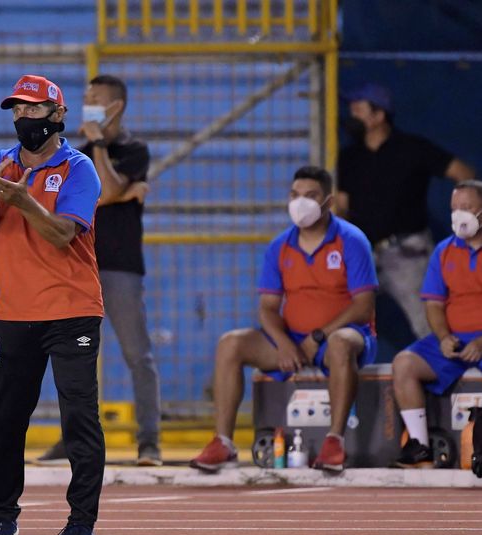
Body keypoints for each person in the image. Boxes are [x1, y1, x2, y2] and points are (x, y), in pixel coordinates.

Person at [0, 74, 105, 535]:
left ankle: (81, 523)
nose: (24, 118)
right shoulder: (1, 166)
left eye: (33, 109)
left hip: (72, 310)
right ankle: (2, 516)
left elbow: (63, 234)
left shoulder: (79, 168)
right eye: (17, 110)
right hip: (15, 314)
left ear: (58, 115)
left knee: (78, 416)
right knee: (5, 419)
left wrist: (21, 200)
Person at [189, 166, 378, 473]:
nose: (300, 202)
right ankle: (223, 441)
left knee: (342, 343)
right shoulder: (280, 246)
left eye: (310, 196)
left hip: (342, 335)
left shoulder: (352, 240)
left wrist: (317, 337)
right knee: (230, 344)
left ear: (328, 201)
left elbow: (363, 306)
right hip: (292, 339)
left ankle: (334, 441)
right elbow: (267, 308)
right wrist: (285, 344)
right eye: (295, 195)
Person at [37, 74, 162, 467]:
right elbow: (106, 195)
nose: (87, 102)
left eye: (95, 98)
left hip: (120, 265)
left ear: (116, 107)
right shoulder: (72, 155)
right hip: (76, 266)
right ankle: (71, 440)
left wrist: (103, 148)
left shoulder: (133, 149)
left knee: (136, 354)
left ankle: (149, 442)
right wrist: (124, 193)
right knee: (72, 356)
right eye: (86, 96)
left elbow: (104, 191)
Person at [336, 82, 474, 339]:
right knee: (337, 317)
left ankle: (449, 374)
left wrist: (467, 216)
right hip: (364, 255)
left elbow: (463, 172)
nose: (351, 116)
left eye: (358, 109)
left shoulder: (412, 148)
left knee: (430, 327)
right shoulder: (350, 157)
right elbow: (342, 206)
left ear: (378, 116)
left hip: (407, 253)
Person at [391, 180, 482, 468]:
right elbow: (433, 303)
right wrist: (443, 337)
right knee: (404, 363)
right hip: (455, 339)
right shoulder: (443, 251)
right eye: (454, 208)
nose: (459, 215)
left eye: (466, 208)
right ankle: (420, 446)